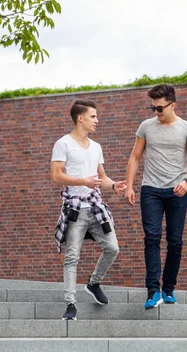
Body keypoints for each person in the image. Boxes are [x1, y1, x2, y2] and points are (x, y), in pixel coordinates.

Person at [125, 84, 187, 310]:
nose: (156, 113)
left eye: (159, 108)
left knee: (175, 242)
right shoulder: (146, 127)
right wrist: (130, 186)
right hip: (150, 190)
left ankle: (168, 288)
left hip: (177, 191)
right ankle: (152, 291)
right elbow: (135, 156)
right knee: (151, 238)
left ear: (173, 105)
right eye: (153, 108)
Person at [51, 99, 127, 320]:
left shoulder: (96, 147)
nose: (97, 120)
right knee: (72, 257)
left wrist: (113, 185)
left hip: (95, 207)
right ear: (80, 118)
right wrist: (81, 181)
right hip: (75, 208)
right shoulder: (63, 143)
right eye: (93, 116)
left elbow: (101, 178)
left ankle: (93, 284)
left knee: (112, 248)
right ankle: (70, 305)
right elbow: (56, 175)